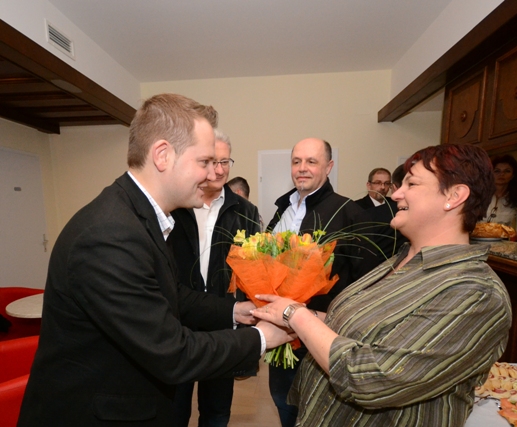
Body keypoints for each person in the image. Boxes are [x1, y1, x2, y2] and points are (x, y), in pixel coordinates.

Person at [17, 94, 292, 427]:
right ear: (163, 155)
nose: (212, 174)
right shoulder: (110, 235)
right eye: (204, 161)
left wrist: (237, 311)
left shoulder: (140, 217)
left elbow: (171, 295)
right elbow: (172, 352)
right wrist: (261, 337)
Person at [253, 144, 513, 427]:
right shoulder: (401, 259)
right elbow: (362, 329)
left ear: (454, 196)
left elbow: (369, 378)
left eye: (411, 184)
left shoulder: (476, 293)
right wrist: (304, 316)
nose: (396, 193)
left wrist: (295, 315)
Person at [266, 137, 362, 427]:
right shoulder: (283, 208)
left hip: (323, 336)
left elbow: (360, 281)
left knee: (316, 413)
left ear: (328, 167)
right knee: (283, 403)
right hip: (281, 334)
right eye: (296, 161)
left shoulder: (347, 212)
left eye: (311, 161)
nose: (302, 168)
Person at [168, 130, 261, 427]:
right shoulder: (176, 206)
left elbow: (255, 270)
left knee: (217, 411)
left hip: (223, 323)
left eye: (225, 162)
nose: (219, 170)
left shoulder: (246, 212)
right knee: (174, 408)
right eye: (212, 162)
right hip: (178, 321)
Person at [350, 164, 409, 278]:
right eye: (377, 183)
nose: (382, 187)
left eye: (386, 183)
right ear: (369, 185)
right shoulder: (356, 207)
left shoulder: (396, 205)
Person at [482, 154, 517, 232]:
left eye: (507, 171)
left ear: (513, 175)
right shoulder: (479, 196)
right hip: (476, 238)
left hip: (505, 239)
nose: (502, 174)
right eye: (497, 171)